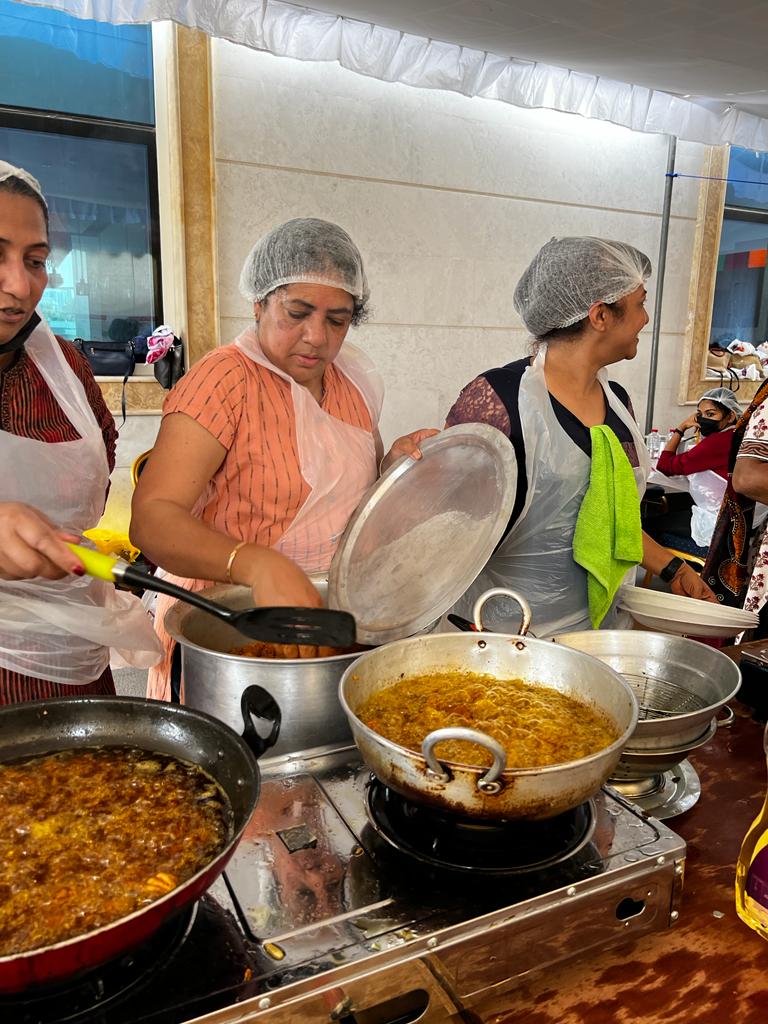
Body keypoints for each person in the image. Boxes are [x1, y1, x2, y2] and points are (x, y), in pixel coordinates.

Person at [131, 217, 437, 700]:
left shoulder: (352, 383)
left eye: (337, 320)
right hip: (229, 630)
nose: (317, 336)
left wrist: (391, 469)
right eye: (297, 313)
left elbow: (343, 499)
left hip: (321, 622)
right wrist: (253, 564)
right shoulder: (225, 382)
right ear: (259, 302)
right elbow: (151, 520)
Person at [445, 235, 716, 637]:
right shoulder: (499, 400)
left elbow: (607, 518)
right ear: (600, 315)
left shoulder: (618, 403)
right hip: (503, 635)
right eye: (640, 304)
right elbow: (447, 524)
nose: (645, 318)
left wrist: (674, 568)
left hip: (599, 635)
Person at [0, 161, 161, 703]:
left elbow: (97, 479)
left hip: (73, 654)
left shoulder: (66, 369)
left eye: (36, 261)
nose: (19, 286)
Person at [650, 387, 741, 553]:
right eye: (700, 414)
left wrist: (681, 428)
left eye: (711, 414)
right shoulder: (737, 435)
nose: (703, 419)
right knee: (676, 503)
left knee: (648, 524)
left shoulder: (718, 442)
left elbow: (665, 465)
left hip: (717, 526)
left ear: (731, 416)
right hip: (735, 520)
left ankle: (680, 572)